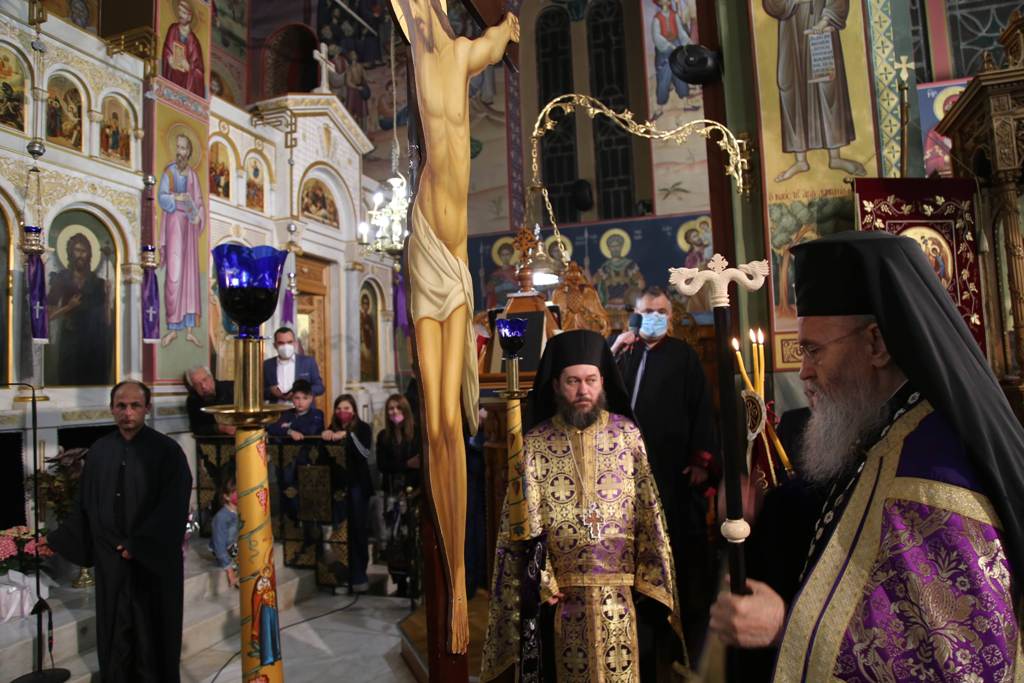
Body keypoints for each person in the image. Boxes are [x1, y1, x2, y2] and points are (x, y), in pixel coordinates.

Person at [710, 231, 1024, 681]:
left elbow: (965, 662)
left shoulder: (929, 474)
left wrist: (784, 627)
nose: (804, 371)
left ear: (876, 344)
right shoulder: (889, 428)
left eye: (813, 350)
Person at [389, 0, 518, 651]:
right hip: (424, 242)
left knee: (455, 431)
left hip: (457, 255)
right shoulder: (415, 41)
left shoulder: (466, 53)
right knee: (435, 421)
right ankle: (453, 572)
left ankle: (463, 578)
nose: (424, 9)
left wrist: (508, 25)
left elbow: (499, 37)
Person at [481, 330, 685, 682]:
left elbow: (649, 510)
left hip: (622, 594)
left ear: (603, 381)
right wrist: (541, 580)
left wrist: (648, 576)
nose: (583, 391)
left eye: (590, 380)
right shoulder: (536, 443)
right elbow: (522, 521)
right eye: (572, 381)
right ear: (556, 385)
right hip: (561, 598)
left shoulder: (627, 436)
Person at [44, 380, 192, 681]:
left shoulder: (167, 451)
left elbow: (173, 504)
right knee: (116, 628)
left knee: (152, 630)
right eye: (121, 406)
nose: (127, 412)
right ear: (111, 409)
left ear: (147, 408)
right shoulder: (100, 451)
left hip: (151, 560)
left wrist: (140, 543)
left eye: (135, 406)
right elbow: (84, 503)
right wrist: (56, 540)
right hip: (110, 558)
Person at [611, 285, 716, 664]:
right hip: (625, 472)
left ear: (670, 318)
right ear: (635, 314)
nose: (654, 317)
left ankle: (680, 634)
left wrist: (701, 460)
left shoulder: (683, 356)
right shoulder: (623, 353)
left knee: (677, 549)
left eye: (661, 312)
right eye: (647, 311)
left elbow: (702, 409)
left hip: (671, 470)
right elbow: (602, 395)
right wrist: (614, 349)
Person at [764, 0, 866, 182]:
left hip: (821, 30)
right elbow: (772, 3)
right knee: (792, 90)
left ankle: (835, 157)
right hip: (792, 33)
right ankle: (800, 160)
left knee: (828, 89)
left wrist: (824, 21)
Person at [322, 394, 374, 593]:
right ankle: (343, 574)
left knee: (358, 531)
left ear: (353, 410)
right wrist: (325, 437)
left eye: (346, 408)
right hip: (338, 489)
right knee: (340, 533)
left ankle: (359, 575)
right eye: (338, 408)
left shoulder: (363, 428)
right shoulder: (331, 428)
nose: (342, 412)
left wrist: (348, 436)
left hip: (358, 487)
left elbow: (364, 453)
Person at [158, 132, 204, 348]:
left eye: (183, 148)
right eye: (177, 147)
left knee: (190, 277)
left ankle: (189, 330)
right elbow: (162, 197)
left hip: (190, 228)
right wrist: (177, 197)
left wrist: (197, 214)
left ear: (189, 152)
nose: (180, 152)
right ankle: (172, 328)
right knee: (174, 275)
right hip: (174, 223)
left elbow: (200, 203)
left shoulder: (193, 176)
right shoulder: (169, 172)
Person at [46, 232, 112, 385]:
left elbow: (108, 322)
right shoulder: (61, 279)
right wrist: (68, 307)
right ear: (70, 253)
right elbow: (49, 315)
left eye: (84, 251)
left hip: (93, 342)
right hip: (70, 340)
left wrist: (108, 297)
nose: (80, 255)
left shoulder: (98, 282)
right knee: (68, 378)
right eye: (77, 250)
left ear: (89, 254)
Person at [375, 394, 421, 597]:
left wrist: (409, 467)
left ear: (405, 410)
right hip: (392, 493)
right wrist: (406, 464)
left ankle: (415, 581)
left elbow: (420, 462)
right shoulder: (384, 436)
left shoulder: (416, 434)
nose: (394, 412)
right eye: (391, 409)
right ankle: (400, 583)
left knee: (412, 537)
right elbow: (383, 465)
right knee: (394, 539)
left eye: (398, 408)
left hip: (413, 492)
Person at [263, 326, 324, 402]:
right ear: (275, 345)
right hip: (276, 408)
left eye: (289, 342)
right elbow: (258, 391)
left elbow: (319, 388)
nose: (286, 346)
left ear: (295, 343)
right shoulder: (267, 365)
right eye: (281, 343)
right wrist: (271, 391)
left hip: (303, 408)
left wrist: (300, 392)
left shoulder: (308, 362)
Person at [161, 0, 205, 98]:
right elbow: (166, 49)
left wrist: (189, 67)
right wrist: (169, 58)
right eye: (179, 11)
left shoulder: (194, 42)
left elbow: (199, 71)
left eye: (184, 13)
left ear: (189, 17)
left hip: (186, 83)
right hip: (171, 77)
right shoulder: (173, 29)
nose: (180, 15)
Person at [184, 365, 235, 436]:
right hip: (213, 439)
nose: (203, 386)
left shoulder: (232, 388)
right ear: (193, 387)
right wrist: (220, 428)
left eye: (205, 380)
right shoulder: (193, 400)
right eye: (197, 384)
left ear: (211, 377)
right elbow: (196, 428)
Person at [210, 477, 239, 588]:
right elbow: (219, 547)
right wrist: (230, 571)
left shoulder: (241, 511)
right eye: (235, 492)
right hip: (227, 552)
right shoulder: (221, 518)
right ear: (226, 496)